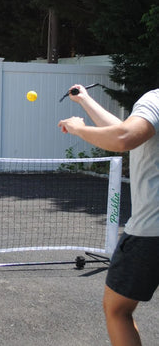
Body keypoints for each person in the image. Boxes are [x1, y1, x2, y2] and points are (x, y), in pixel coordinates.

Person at [58, 85, 159, 346]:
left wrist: (78, 128)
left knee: (118, 310)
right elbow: (129, 133)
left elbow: (123, 138)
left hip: (151, 233)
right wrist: (86, 101)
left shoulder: (156, 98)